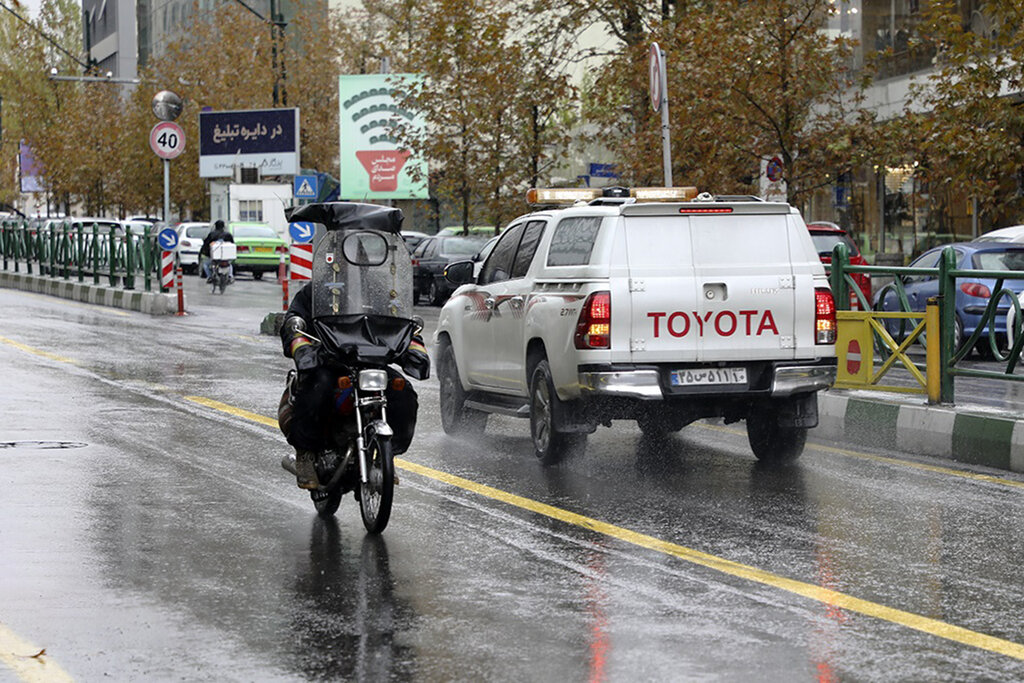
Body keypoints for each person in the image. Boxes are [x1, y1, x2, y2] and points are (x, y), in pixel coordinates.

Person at [279, 281, 429, 489]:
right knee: (318, 386)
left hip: (370, 361)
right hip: (329, 361)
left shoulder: (379, 292)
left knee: (402, 390)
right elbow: (294, 322)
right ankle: (305, 454)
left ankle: (387, 455)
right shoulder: (315, 292)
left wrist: (413, 345)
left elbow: (400, 323)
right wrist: (302, 346)